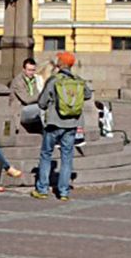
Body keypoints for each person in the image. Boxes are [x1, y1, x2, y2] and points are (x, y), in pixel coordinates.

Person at [34, 50, 93, 199]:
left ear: (60, 64)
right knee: (67, 158)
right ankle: (64, 192)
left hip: (54, 123)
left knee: (46, 154)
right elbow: (88, 95)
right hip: (72, 123)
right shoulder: (78, 80)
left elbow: (42, 103)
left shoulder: (54, 80)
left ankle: (42, 189)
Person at [10, 57, 44, 133]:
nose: (31, 73)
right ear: (23, 69)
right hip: (20, 111)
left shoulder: (35, 80)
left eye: (33, 70)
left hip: (31, 107)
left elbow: (36, 95)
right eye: (29, 70)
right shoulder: (18, 81)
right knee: (40, 109)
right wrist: (42, 95)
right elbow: (27, 99)